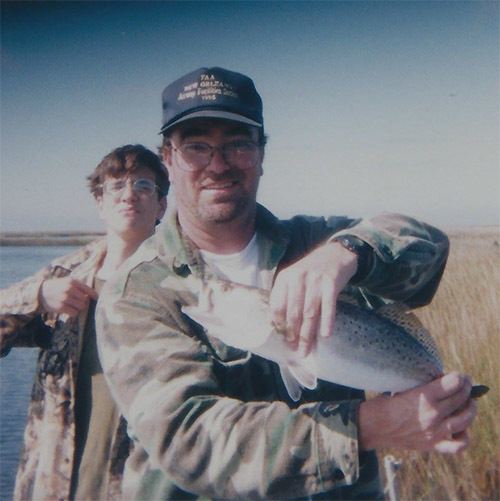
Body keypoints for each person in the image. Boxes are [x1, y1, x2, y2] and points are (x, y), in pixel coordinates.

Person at [96, 67, 477, 500]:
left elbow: (427, 248)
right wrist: (372, 424)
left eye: (238, 144)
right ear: (168, 158)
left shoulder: (317, 241)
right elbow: (192, 442)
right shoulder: (136, 291)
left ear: (261, 152)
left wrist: (348, 253)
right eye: (196, 147)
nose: (217, 164)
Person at [0, 144, 169, 501]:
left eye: (143, 185)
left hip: (140, 483)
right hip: (54, 480)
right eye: (116, 186)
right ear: (100, 202)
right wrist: (38, 295)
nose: (129, 195)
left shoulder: (180, 283)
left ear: (161, 205)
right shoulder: (65, 275)